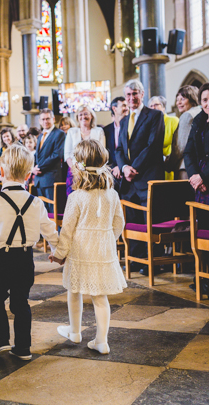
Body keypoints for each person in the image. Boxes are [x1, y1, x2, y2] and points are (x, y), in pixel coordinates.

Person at [0, 144, 59, 361]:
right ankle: (23, 348)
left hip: (1, 260)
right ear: (28, 175)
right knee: (20, 302)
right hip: (25, 259)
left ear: (1, 172)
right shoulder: (36, 203)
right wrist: (58, 251)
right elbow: (51, 232)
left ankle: (2, 341)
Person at [50, 140, 126, 355]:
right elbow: (119, 222)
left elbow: (67, 230)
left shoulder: (76, 197)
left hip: (80, 251)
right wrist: (109, 239)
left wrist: (59, 254)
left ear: (79, 166)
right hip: (103, 250)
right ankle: (101, 341)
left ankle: (75, 331)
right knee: (100, 296)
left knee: (74, 290)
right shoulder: (112, 194)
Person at [115, 79, 165, 273]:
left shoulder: (154, 115)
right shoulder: (124, 120)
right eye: (128, 94)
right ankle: (136, 259)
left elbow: (153, 146)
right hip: (130, 181)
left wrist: (132, 168)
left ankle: (155, 261)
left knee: (151, 220)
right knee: (133, 220)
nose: (131, 98)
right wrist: (124, 167)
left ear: (142, 94)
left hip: (147, 176)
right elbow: (119, 149)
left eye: (135, 93)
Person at [64, 105, 105, 196]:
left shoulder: (99, 131)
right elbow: (67, 155)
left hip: (94, 172)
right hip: (74, 171)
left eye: (86, 114)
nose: (83, 117)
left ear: (91, 116)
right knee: (74, 199)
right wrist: (76, 170)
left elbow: (102, 153)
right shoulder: (72, 131)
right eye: (80, 115)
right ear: (77, 118)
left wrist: (92, 171)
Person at [33, 109, 66, 213]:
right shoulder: (40, 136)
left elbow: (56, 155)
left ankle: (56, 230)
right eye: (43, 119)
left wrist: (39, 167)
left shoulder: (59, 134)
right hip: (39, 179)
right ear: (39, 121)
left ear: (53, 119)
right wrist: (32, 168)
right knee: (43, 212)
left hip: (51, 178)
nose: (45, 121)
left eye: (48, 118)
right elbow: (37, 155)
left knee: (53, 211)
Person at [168, 85, 201, 180]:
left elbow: (181, 147)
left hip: (185, 167)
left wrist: (169, 164)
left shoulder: (187, 116)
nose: (178, 103)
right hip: (197, 165)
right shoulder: (200, 112)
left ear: (192, 98)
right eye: (177, 100)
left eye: (182, 99)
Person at [149, 96, 179, 180]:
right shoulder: (148, 125)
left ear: (163, 107)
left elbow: (178, 144)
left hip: (170, 164)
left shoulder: (173, 121)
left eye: (156, 105)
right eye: (151, 106)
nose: (153, 108)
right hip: (153, 167)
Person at [103, 97, 128, 185]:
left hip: (128, 171)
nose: (127, 108)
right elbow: (105, 152)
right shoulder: (106, 130)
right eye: (124, 105)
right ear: (114, 109)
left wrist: (121, 166)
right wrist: (114, 167)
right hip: (111, 173)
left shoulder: (132, 127)